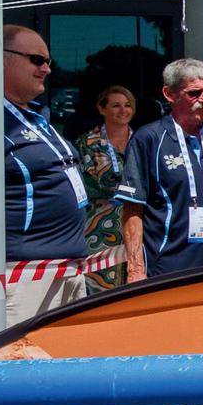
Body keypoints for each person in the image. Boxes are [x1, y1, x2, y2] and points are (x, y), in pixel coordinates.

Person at [117, 58, 203, 283]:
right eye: (194, 93)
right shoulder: (149, 138)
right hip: (166, 271)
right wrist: (136, 270)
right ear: (169, 94)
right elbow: (133, 208)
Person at [0, 25, 93, 324]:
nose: (47, 69)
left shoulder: (38, 116)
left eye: (48, 61)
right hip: (25, 274)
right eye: (37, 60)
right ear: (1, 59)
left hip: (68, 267)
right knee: (19, 352)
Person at [76, 84, 137, 291]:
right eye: (116, 105)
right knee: (99, 285)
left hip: (138, 221)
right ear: (102, 109)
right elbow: (87, 184)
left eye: (128, 105)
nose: (123, 110)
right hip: (99, 225)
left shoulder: (144, 140)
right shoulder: (87, 143)